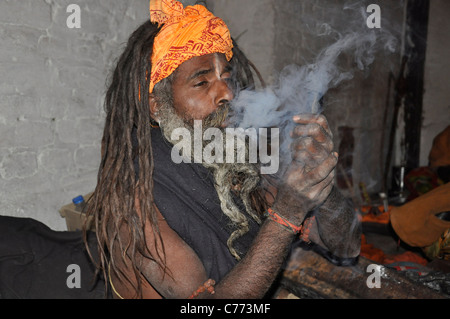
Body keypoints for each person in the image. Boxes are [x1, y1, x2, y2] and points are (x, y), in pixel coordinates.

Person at [85, 0, 361, 299]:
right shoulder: (132, 197)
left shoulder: (235, 158)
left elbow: (347, 246)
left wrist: (320, 181)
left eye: (226, 78)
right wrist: (286, 214)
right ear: (156, 106)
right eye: (202, 82)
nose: (227, 93)